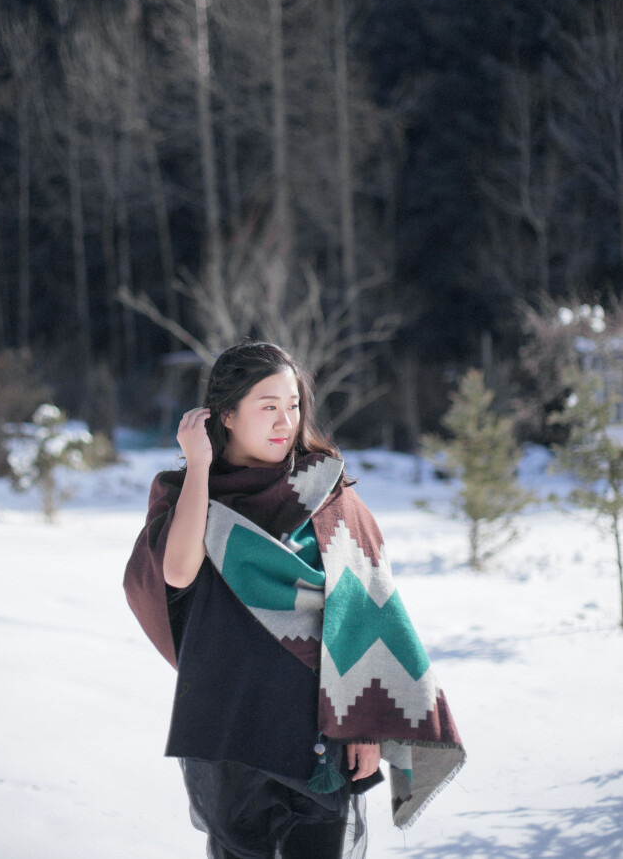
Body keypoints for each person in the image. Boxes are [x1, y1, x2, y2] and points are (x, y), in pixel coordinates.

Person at [124, 341, 465, 859]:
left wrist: (366, 722)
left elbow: (370, 615)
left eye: (294, 404)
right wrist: (198, 466)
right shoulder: (192, 495)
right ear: (227, 415)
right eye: (268, 406)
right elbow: (176, 570)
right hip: (230, 731)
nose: (286, 420)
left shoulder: (328, 494)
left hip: (319, 735)